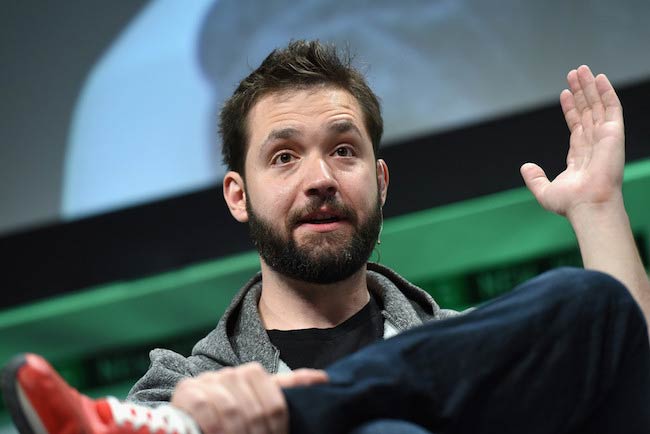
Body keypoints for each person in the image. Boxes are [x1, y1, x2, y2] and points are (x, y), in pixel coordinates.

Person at [3, 40, 650, 434]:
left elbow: (629, 371)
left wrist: (596, 207)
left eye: (343, 150)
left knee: (587, 303)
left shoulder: (473, 348)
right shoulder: (177, 392)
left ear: (381, 180)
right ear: (238, 195)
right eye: (284, 157)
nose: (319, 179)